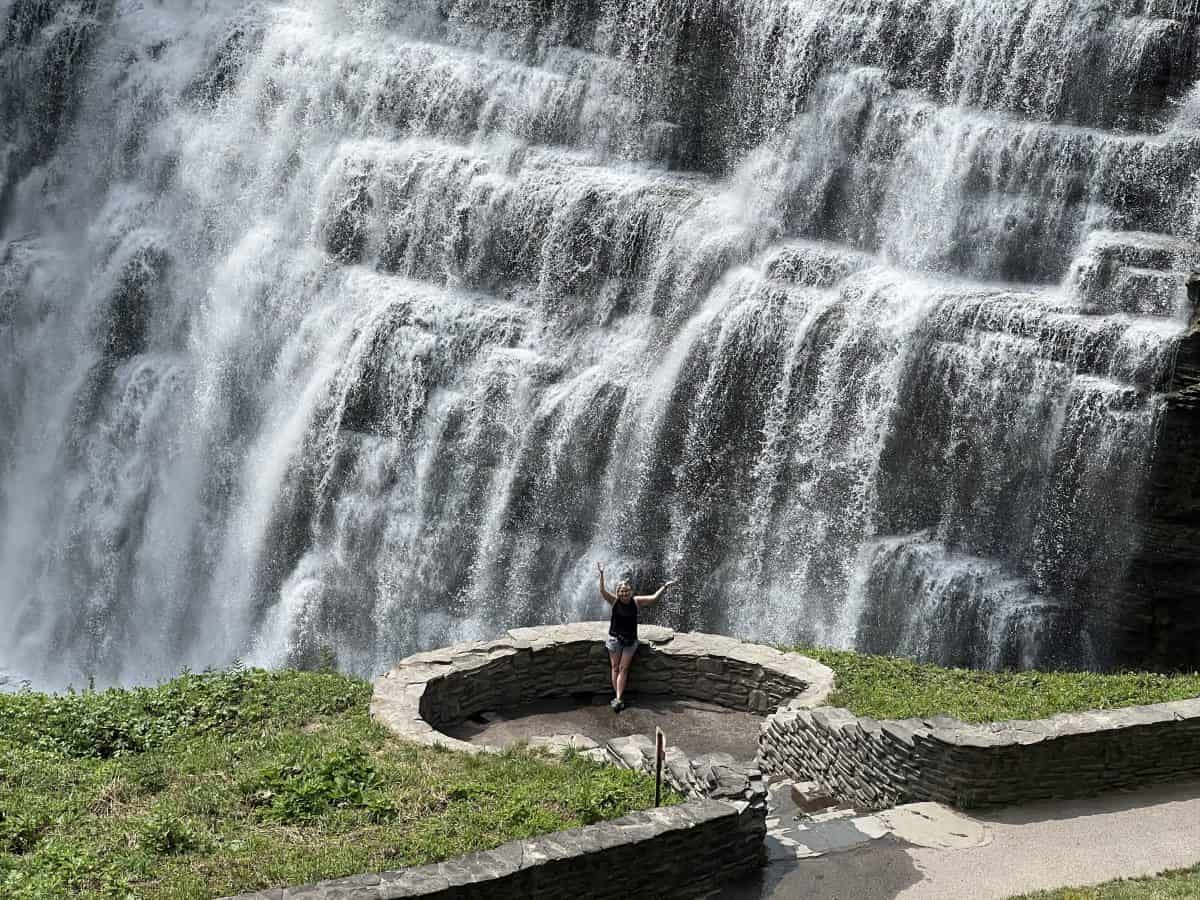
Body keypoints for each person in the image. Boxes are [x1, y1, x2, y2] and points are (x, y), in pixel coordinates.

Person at [596, 561, 678, 711]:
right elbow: (602, 591)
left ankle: (619, 698)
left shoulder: (636, 601)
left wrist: (665, 587)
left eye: (627, 591)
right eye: (622, 591)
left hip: (630, 641)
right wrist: (602, 574)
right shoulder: (614, 601)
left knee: (623, 668)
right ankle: (618, 697)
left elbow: (653, 598)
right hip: (615, 639)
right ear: (618, 592)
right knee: (615, 667)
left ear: (631, 592)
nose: (624, 594)